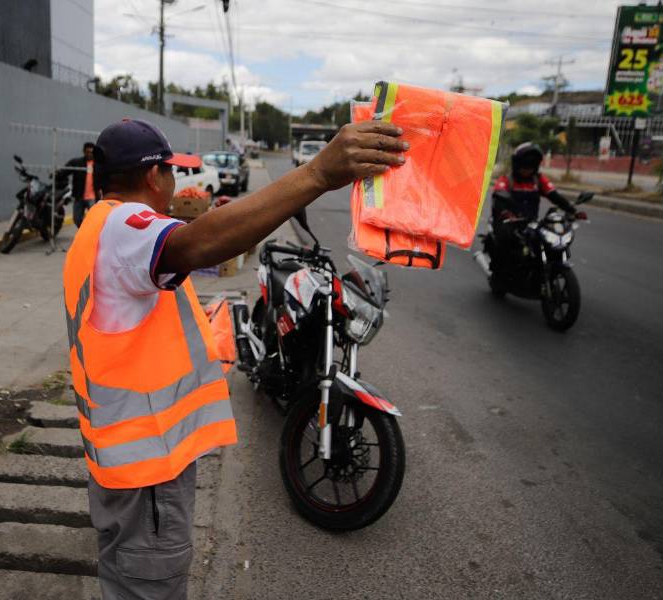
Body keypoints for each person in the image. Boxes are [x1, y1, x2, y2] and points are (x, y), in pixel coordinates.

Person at [63, 118, 406, 599]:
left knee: (128, 579)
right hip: (147, 472)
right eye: (172, 171)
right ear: (153, 176)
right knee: (148, 586)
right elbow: (195, 243)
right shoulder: (125, 225)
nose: (176, 182)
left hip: (123, 462)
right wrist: (317, 175)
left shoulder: (98, 227)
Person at [490, 142, 583, 271]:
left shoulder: (538, 180)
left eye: (531, 165)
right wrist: (505, 213)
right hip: (510, 223)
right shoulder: (506, 180)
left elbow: (554, 196)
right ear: (517, 164)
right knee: (506, 243)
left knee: (545, 241)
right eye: (524, 165)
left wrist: (573, 210)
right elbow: (498, 199)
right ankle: (499, 275)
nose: (527, 169)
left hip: (531, 223)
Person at [62, 142, 102, 227]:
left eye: (91, 152)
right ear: (84, 151)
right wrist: (57, 174)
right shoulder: (77, 163)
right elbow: (65, 171)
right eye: (87, 152)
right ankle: (83, 230)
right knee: (76, 218)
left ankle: (90, 232)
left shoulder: (98, 165)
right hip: (79, 196)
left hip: (93, 197)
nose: (89, 154)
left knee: (94, 219)